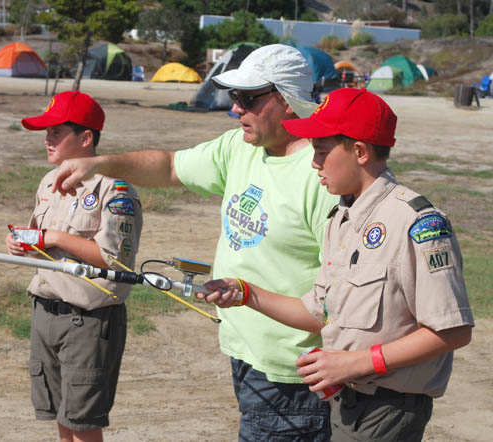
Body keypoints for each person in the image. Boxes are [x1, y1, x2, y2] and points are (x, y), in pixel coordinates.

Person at [51, 44, 339, 441]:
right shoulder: (239, 147)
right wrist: (99, 164)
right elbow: (170, 166)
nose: (234, 108)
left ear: (287, 101)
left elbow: (336, 298)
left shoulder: (322, 175)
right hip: (245, 351)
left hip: (293, 371)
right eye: (234, 96)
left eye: (248, 98)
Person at [201, 88, 474, 442]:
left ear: (359, 152)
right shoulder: (342, 218)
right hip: (346, 402)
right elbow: (319, 311)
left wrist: (357, 363)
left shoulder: (415, 223)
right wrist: (245, 293)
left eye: (322, 151)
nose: (314, 163)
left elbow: (452, 330)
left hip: (387, 410)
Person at [6, 90, 143, 442]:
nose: (48, 140)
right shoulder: (48, 183)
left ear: (85, 138)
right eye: (46, 132)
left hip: (88, 319)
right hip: (46, 311)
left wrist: (52, 237)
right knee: (61, 418)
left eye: (56, 132)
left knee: (83, 424)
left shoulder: (116, 189)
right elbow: (43, 244)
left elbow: (115, 259)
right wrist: (24, 243)